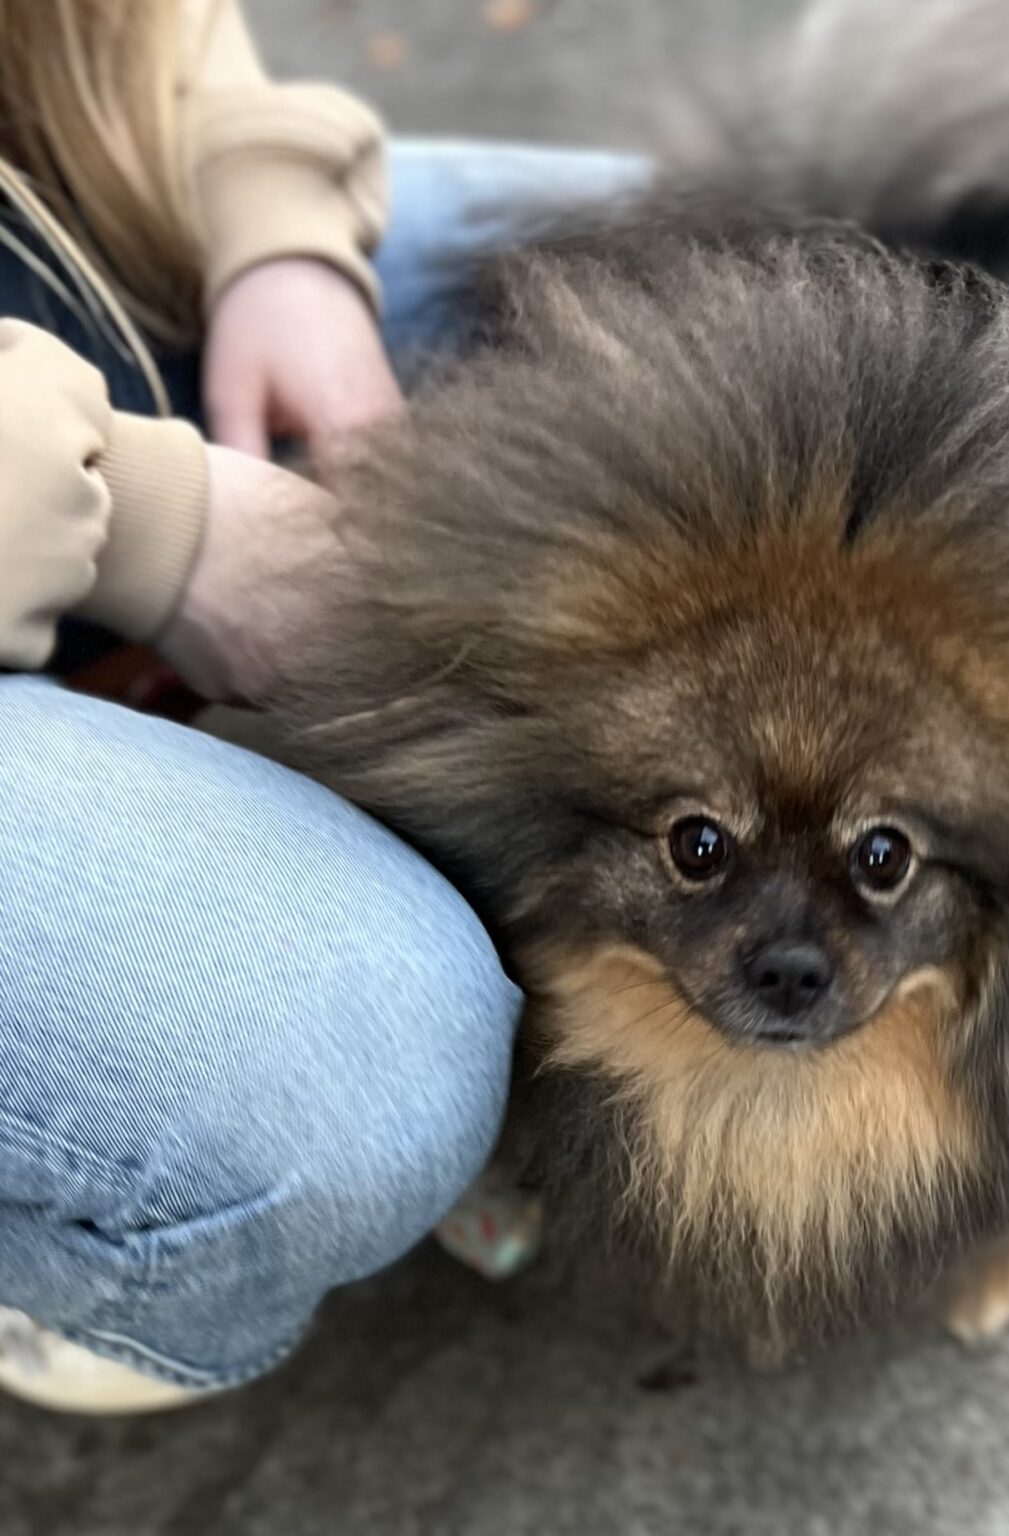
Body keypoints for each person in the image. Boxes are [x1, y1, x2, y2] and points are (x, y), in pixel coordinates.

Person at [0, 0, 645, 1413]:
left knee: (739, 258)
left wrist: (278, 228)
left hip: (58, 242)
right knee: (347, 1075)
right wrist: (146, 524)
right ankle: (61, 1232)